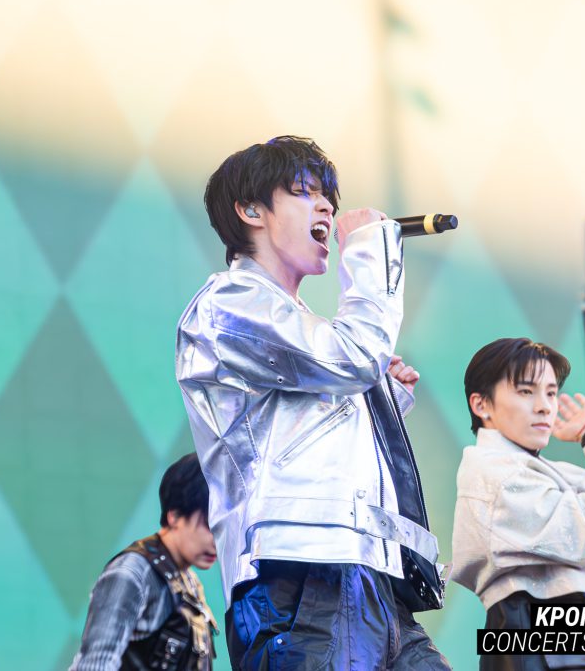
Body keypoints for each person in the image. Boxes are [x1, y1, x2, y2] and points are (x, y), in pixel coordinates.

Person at [175, 136, 449, 669]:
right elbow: (353, 359)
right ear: (251, 210)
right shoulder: (228, 303)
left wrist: (381, 399)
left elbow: (310, 420)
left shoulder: (303, 328)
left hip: (374, 583)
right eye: (305, 193)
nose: (326, 208)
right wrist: (369, 253)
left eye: (329, 197)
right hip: (299, 580)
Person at [452, 337, 585, 670]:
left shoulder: (542, 472)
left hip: (551, 627)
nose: (544, 406)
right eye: (526, 391)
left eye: (551, 393)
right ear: (481, 404)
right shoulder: (497, 474)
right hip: (544, 625)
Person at [70, 452, 218, 670]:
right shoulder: (131, 574)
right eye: (209, 525)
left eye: (221, 528)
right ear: (174, 515)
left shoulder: (189, 581)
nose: (217, 540)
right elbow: (95, 665)